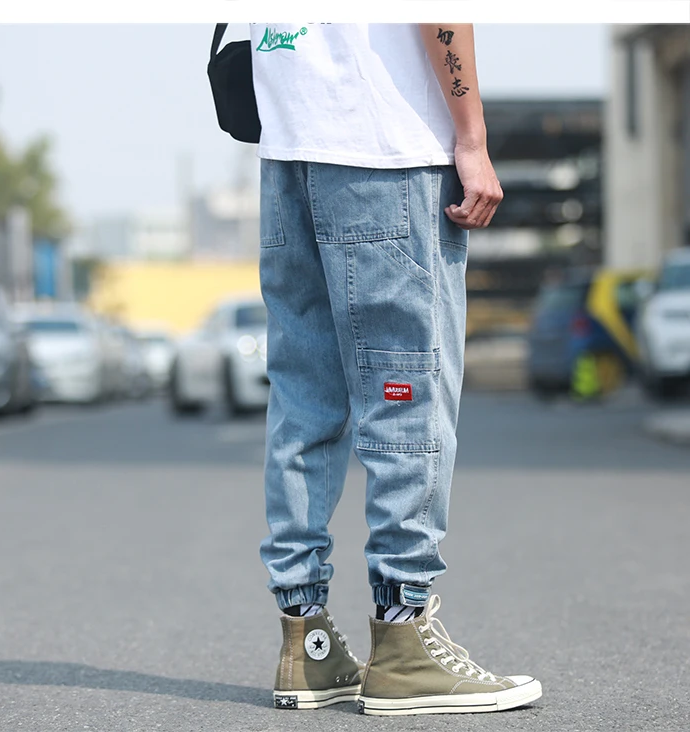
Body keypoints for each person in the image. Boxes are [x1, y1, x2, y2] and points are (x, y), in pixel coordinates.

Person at [249, 22, 542, 716]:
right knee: (405, 395)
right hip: (384, 150)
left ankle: (306, 641)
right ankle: (405, 638)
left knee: (304, 400)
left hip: (287, 153)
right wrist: (472, 137)